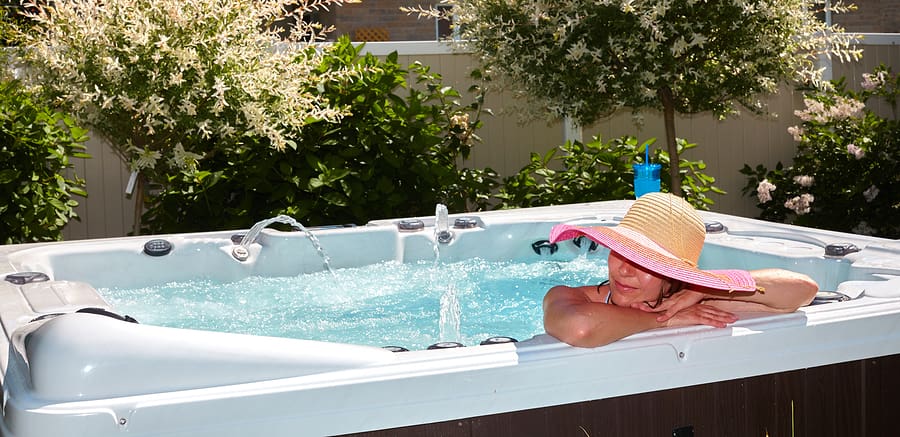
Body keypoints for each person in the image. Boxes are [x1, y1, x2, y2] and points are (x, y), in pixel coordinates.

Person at [542, 192, 819, 348]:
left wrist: (702, 286)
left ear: (673, 274)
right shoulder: (571, 297)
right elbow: (580, 326)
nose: (625, 269)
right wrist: (664, 320)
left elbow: (803, 290)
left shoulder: (701, 301)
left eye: (645, 262)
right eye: (621, 251)